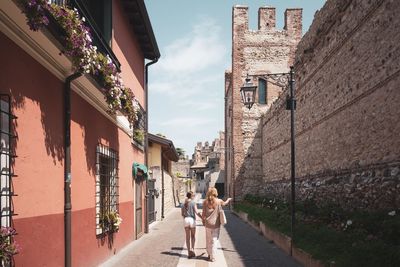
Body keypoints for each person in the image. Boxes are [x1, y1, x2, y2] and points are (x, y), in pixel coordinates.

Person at [202, 187, 232, 262]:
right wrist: (228, 199)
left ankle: (209, 254)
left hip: (207, 224)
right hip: (216, 224)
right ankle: (213, 256)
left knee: (208, 240)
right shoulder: (219, 201)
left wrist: (203, 221)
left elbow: (203, 214)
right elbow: (225, 204)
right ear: (216, 192)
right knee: (214, 240)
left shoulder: (205, 202)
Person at [181, 191, 202, 258]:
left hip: (186, 220)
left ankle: (188, 252)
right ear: (192, 196)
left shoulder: (183, 204)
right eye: (193, 196)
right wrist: (202, 218)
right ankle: (192, 249)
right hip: (192, 220)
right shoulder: (193, 203)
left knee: (187, 237)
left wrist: (185, 217)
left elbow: (182, 214)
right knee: (193, 236)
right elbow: (196, 212)